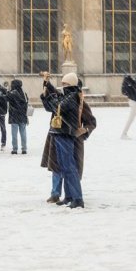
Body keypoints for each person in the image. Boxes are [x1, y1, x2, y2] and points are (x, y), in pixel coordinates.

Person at [40, 73, 94, 208]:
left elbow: (58, 105)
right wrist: (47, 86)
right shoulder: (68, 96)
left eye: (65, 84)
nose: (62, 87)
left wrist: (84, 130)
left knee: (69, 168)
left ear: (71, 85)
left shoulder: (73, 97)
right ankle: (69, 196)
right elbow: (53, 103)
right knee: (63, 168)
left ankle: (77, 198)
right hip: (60, 133)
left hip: (68, 135)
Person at [7, 78, 29, 155]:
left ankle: (15, 149)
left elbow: (5, 98)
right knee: (23, 133)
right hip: (23, 115)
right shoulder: (24, 93)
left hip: (14, 115)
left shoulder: (12, 93)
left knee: (14, 133)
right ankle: (24, 149)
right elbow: (26, 104)